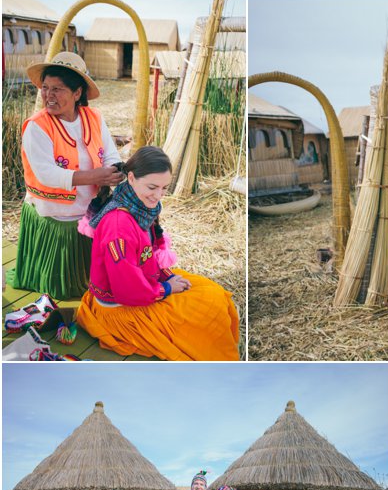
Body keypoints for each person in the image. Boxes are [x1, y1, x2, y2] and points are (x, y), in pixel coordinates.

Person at [75, 145, 240, 360]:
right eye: (152, 187)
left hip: (142, 284)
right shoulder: (119, 226)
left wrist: (166, 276)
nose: (158, 196)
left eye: (163, 188)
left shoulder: (139, 207)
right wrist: (166, 288)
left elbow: (144, 256)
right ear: (131, 178)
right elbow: (128, 290)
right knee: (209, 308)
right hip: (123, 309)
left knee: (213, 291)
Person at [11, 52, 123, 300]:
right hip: (56, 207)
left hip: (90, 206)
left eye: (57, 89)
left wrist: (115, 172)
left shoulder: (94, 118)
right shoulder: (37, 126)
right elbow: (46, 174)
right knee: (68, 294)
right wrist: (96, 175)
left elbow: (111, 154)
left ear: (77, 93)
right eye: (45, 88)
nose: (48, 96)